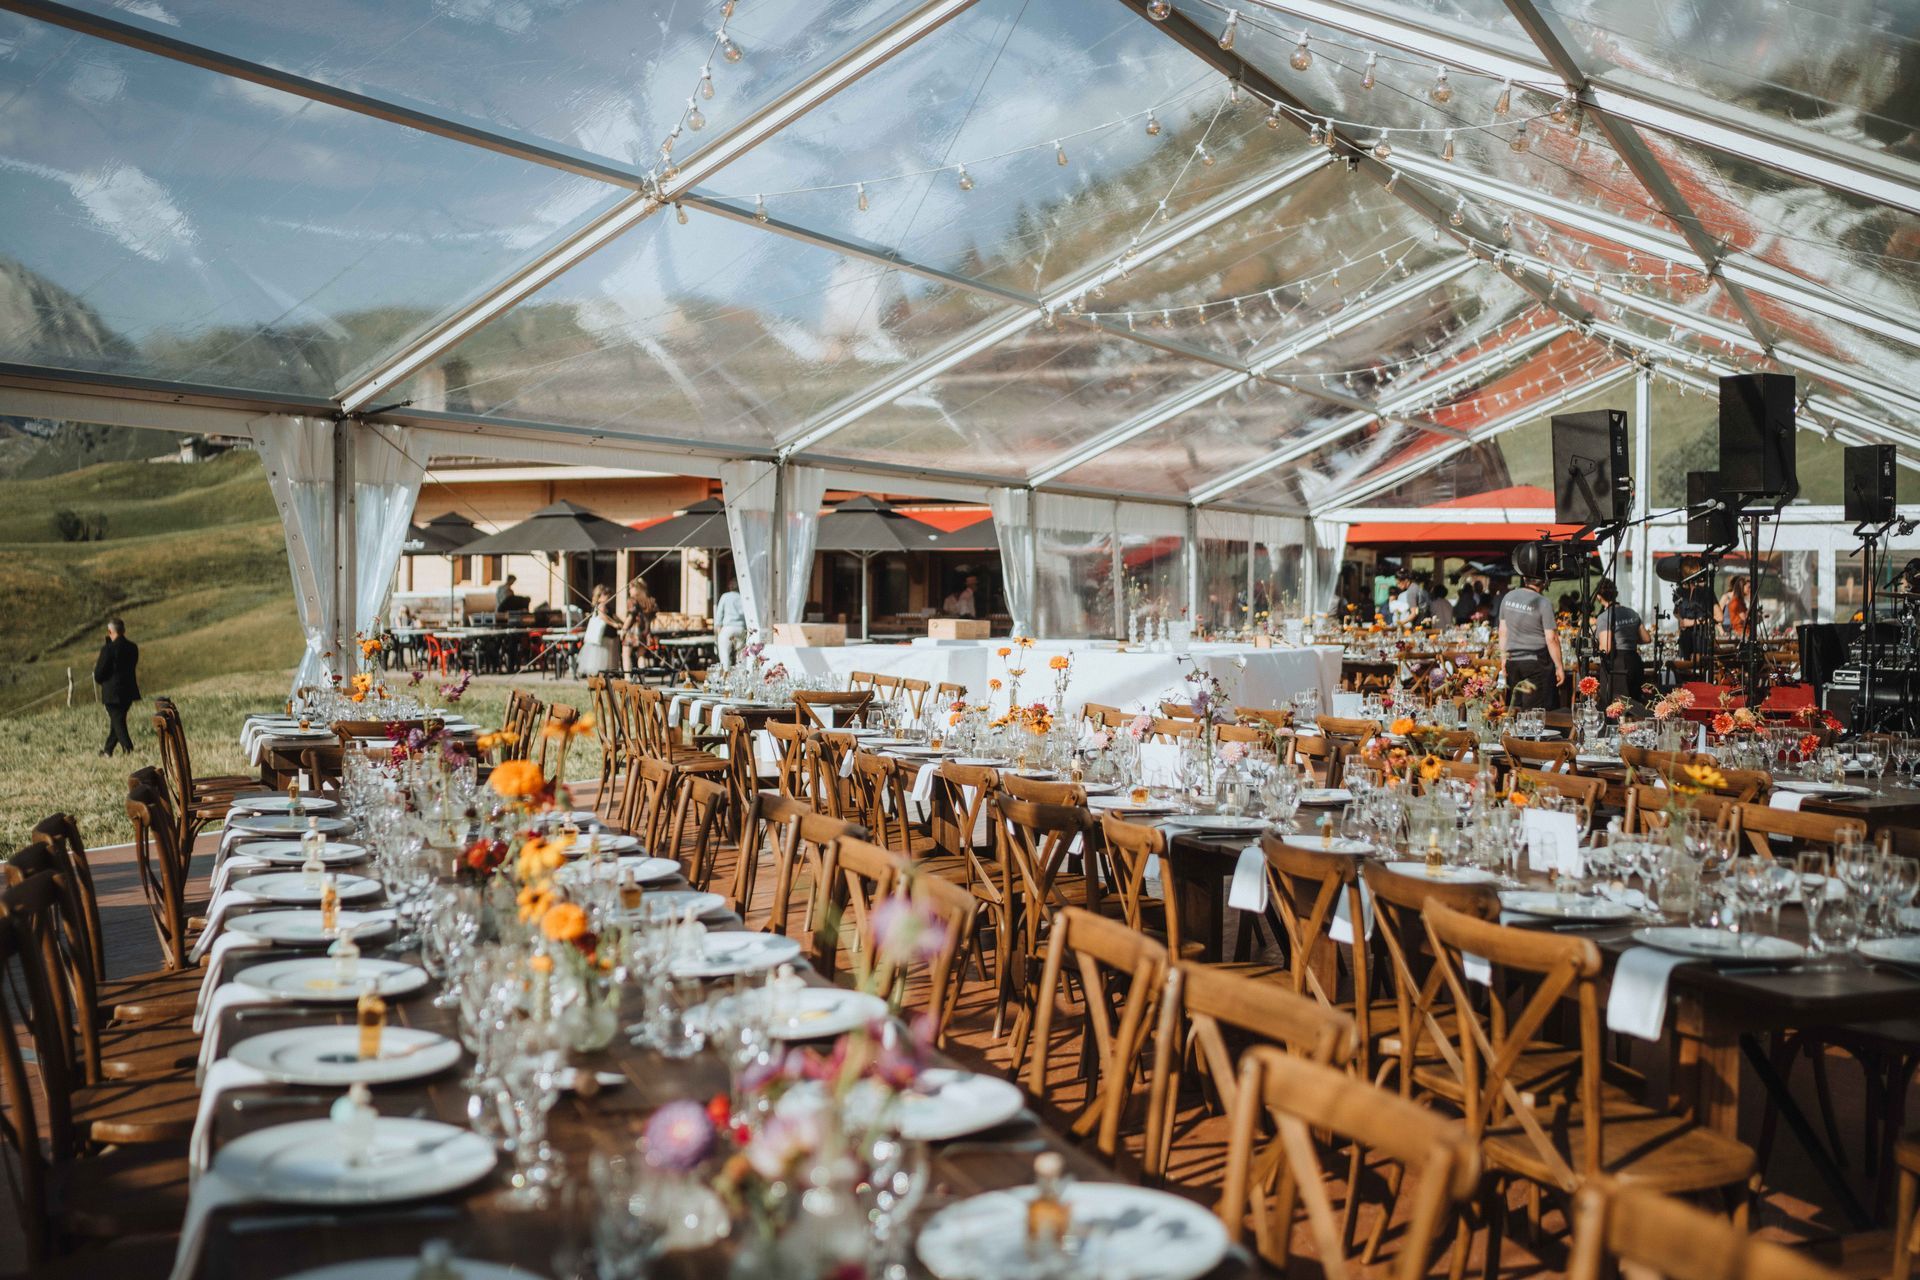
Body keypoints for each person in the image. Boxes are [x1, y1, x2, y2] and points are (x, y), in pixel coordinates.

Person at [1499, 562, 1564, 710]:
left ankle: (1513, 734)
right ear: (1544, 582)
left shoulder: (1508, 597)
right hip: (1535, 662)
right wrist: (1559, 666)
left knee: (1515, 708)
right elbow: (1551, 638)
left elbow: (1503, 631)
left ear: (1524, 579)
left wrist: (1503, 658)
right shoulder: (1543, 602)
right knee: (1535, 711)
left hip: (1513, 661)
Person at [1592, 577, 1650, 706]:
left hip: (1617, 664)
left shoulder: (1604, 617)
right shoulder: (1632, 613)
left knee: (1617, 706)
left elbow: (1606, 648)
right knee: (1635, 703)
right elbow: (1646, 638)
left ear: (1598, 597)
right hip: (1634, 661)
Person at [93, 617, 140, 757]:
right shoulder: (132, 647)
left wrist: (102, 680)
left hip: (112, 692)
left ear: (109, 631)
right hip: (129, 690)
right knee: (117, 720)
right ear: (123, 630)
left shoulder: (108, 649)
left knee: (118, 722)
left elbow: (99, 673)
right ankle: (108, 750)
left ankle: (128, 748)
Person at [579, 585, 623, 676]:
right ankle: (600, 676)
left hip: (609, 635)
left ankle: (605, 675)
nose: (609, 597)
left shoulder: (607, 606)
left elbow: (614, 616)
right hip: (604, 636)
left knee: (607, 658)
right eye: (606, 595)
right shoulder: (601, 606)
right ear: (600, 596)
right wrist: (614, 624)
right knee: (602, 658)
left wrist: (621, 623)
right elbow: (603, 617)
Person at [623, 580, 658, 672]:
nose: (629, 591)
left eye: (630, 588)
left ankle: (627, 676)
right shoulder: (651, 601)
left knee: (626, 653)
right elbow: (654, 618)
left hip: (632, 631)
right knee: (641, 655)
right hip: (645, 630)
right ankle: (642, 677)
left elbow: (630, 617)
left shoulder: (632, 601)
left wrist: (624, 629)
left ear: (638, 588)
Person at [714, 579, 749, 671]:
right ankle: (741, 676)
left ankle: (726, 675)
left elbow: (719, 615)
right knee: (741, 655)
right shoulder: (743, 597)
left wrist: (718, 630)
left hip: (728, 628)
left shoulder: (725, 596)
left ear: (729, 587)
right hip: (741, 628)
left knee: (725, 654)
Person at [1719, 574, 1753, 640]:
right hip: (1726, 628)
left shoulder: (1741, 599)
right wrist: (1721, 631)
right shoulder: (1726, 597)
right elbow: (1717, 616)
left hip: (1736, 630)